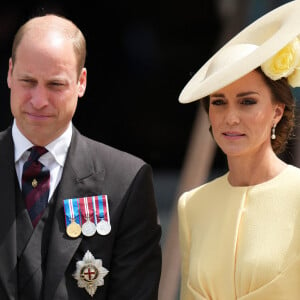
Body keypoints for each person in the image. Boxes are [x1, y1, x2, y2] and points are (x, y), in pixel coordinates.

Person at [0, 13, 161, 299]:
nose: (38, 100)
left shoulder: (125, 182)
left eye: (55, 85)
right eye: (28, 81)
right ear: (10, 73)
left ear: (81, 82)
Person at [177, 0, 300, 299]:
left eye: (247, 101)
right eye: (219, 102)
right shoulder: (191, 205)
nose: (230, 117)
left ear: (277, 111)